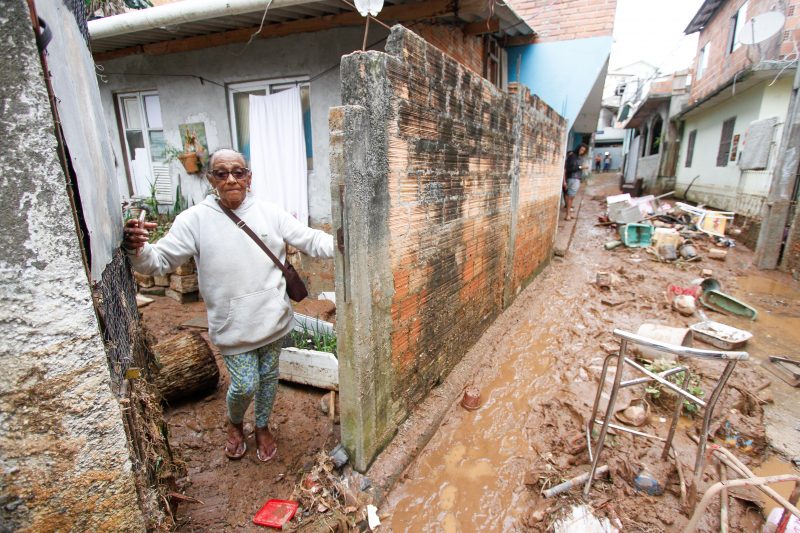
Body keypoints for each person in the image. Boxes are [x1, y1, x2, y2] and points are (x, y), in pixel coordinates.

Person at [122, 148, 334, 462]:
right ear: (211, 179)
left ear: (249, 177)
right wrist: (137, 250)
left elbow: (311, 239)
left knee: (267, 379)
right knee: (245, 384)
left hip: (273, 321)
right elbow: (158, 260)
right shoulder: (194, 220)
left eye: (238, 172)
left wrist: (345, 241)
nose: (231, 179)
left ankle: (262, 426)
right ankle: (235, 422)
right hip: (232, 328)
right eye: (222, 173)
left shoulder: (269, 212)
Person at [563, 144, 587, 221]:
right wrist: (580, 167)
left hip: (575, 178)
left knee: (569, 196)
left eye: (584, 151)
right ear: (578, 148)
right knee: (571, 196)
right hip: (573, 178)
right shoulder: (573, 156)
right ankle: (568, 214)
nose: (582, 151)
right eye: (581, 150)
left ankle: (568, 214)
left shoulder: (579, 158)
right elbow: (569, 168)